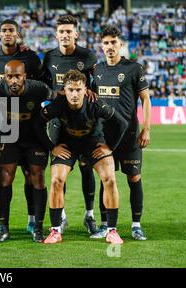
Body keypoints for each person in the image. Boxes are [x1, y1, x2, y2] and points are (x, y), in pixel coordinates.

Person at [37, 70, 128, 245]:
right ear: (65, 89)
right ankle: (55, 230)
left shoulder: (96, 104)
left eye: (78, 89)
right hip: (67, 145)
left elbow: (121, 123)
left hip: (93, 143)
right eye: (70, 89)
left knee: (109, 179)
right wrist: (52, 147)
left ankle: (112, 230)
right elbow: (37, 124)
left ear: (85, 89)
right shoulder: (58, 104)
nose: (74, 94)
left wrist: (110, 148)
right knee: (56, 180)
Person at [0, 19, 44, 235]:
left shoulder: (31, 57)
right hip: (1, 126)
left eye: (11, 31)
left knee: (33, 174)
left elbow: (46, 86)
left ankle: (33, 221)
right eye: (4, 31)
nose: (7, 34)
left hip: (29, 127)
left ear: (18, 34)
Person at [0, 60, 55, 243]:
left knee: (37, 177)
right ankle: (4, 228)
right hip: (10, 138)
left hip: (34, 139)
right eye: (9, 77)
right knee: (5, 178)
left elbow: (60, 97)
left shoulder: (39, 89)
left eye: (17, 76)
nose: (13, 80)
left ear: (24, 76)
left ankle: (37, 227)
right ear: (4, 77)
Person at [40, 15, 99, 235]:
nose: (65, 35)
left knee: (86, 168)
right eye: (61, 31)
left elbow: (96, 85)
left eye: (69, 31)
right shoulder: (48, 57)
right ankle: (61, 216)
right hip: (58, 123)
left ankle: (89, 215)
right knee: (58, 171)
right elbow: (43, 87)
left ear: (76, 33)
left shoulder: (88, 56)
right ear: (56, 35)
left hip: (84, 123)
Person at [91, 25, 151, 240]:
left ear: (120, 44)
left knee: (134, 177)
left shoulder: (134, 69)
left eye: (113, 42)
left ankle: (136, 225)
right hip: (104, 137)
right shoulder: (96, 70)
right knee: (105, 179)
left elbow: (145, 99)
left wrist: (146, 129)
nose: (109, 46)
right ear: (101, 45)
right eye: (106, 43)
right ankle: (105, 225)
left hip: (130, 135)